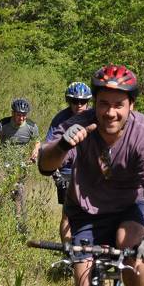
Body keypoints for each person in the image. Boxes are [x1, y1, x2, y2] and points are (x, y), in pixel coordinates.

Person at [38, 65, 144, 286]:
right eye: (104, 104)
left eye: (118, 105)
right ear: (94, 104)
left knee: (131, 244)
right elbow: (45, 166)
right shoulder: (77, 125)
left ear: (131, 105)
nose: (110, 112)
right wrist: (62, 146)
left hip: (129, 206)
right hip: (85, 210)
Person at [45, 82, 92, 243]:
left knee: (93, 211)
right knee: (68, 214)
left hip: (89, 169)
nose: (79, 105)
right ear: (68, 101)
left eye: (83, 101)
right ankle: (67, 250)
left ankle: (88, 247)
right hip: (66, 171)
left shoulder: (95, 116)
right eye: (74, 101)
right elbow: (50, 148)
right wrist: (55, 174)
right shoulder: (60, 120)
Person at [0, 98, 40, 233]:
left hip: (21, 164)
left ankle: (20, 223)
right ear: (13, 113)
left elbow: (37, 142)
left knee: (19, 191)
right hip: (4, 163)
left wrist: (34, 152)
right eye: (19, 115)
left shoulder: (31, 126)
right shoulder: (2, 124)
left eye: (24, 115)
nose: (21, 118)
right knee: (1, 191)